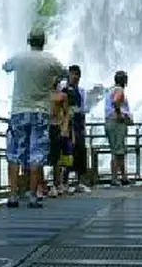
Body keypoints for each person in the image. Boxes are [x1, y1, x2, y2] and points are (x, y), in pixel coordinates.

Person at [1, 24, 65, 208]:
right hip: (40, 112)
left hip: (19, 111)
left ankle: (13, 195)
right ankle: (32, 195)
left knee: (14, 152)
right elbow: (64, 73)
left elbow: (5, 66)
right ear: (44, 42)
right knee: (36, 153)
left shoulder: (20, 57)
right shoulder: (50, 60)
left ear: (29, 41)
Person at [63, 65, 91, 193]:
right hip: (66, 125)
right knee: (67, 153)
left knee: (80, 152)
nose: (75, 77)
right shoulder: (63, 89)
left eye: (77, 75)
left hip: (78, 124)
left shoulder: (81, 91)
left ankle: (80, 182)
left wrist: (84, 126)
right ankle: (64, 182)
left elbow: (83, 110)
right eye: (73, 74)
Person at [102, 70, 132, 187]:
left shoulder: (111, 90)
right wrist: (120, 114)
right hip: (116, 123)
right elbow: (115, 102)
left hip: (110, 122)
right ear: (124, 80)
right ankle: (114, 178)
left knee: (119, 150)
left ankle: (124, 177)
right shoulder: (119, 90)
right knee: (117, 151)